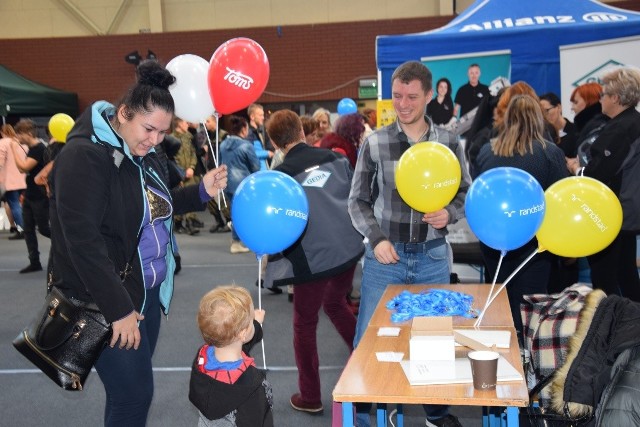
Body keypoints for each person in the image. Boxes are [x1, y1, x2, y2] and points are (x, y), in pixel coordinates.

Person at [48, 60, 228, 427]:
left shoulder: (138, 151)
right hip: (105, 301)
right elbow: (82, 242)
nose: (155, 140)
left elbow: (152, 205)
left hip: (143, 290)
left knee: (131, 394)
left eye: (163, 133)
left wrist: (200, 193)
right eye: (149, 129)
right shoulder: (84, 157)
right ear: (124, 113)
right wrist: (118, 310)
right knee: (133, 397)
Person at [348, 60, 471, 427]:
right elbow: (357, 201)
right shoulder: (376, 141)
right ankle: (364, 420)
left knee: (433, 343)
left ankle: (435, 415)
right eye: (397, 96)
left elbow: (465, 193)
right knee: (369, 344)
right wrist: (377, 238)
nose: (403, 104)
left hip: (433, 256)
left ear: (430, 96)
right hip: (386, 258)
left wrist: (450, 213)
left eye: (411, 97)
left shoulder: (450, 143)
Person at [265, 110, 364, 414]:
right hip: (347, 249)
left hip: (313, 259)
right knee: (336, 304)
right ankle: (365, 363)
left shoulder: (279, 179)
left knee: (304, 325)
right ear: (301, 131)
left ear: (275, 143)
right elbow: (353, 197)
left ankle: (310, 396)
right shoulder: (336, 159)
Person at [473, 94, 569, 336]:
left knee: (500, 303)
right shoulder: (550, 153)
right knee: (531, 309)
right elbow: (560, 201)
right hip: (533, 245)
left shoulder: (487, 151)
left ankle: (501, 357)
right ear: (538, 118)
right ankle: (528, 362)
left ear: (507, 119)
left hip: (493, 239)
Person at [566, 67, 640, 302]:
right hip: (626, 212)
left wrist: (576, 169)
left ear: (615, 98)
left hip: (613, 214)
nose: (601, 99)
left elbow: (600, 172)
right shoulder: (632, 122)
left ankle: (609, 333)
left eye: (604, 94)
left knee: (604, 280)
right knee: (626, 274)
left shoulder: (622, 128)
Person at [189, 285, 272, 427]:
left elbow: (239, 344)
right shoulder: (250, 385)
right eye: (251, 321)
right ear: (243, 333)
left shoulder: (202, 359)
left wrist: (256, 324)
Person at [11, 119, 51, 273]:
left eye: (19, 135)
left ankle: (69, 247)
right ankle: (34, 261)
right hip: (30, 194)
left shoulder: (39, 148)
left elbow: (24, 167)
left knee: (44, 228)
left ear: (27, 134)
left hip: (39, 195)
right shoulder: (32, 148)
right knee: (28, 229)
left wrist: (14, 148)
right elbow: (23, 169)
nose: (17, 138)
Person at [219, 115, 260, 254]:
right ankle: (237, 242)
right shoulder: (246, 145)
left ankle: (236, 240)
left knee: (235, 212)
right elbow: (255, 166)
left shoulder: (223, 144)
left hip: (227, 183)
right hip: (243, 184)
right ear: (243, 129)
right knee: (245, 213)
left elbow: (220, 164)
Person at [172, 117, 201, 235]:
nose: (187, 125)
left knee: (191, 197)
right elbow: (172, 159)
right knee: (179, 198)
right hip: (179, 174)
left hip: (190, 172)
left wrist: (192, 167)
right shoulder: (171, 139)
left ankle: (190, 223)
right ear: (178, 123)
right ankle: (178, 224)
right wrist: (180, 173)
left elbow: (193, 154)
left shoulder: (189, 137)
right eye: (185, 122)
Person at [570, 82, 609, 167]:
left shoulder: (598, 127)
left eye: (576, 102)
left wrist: (574, 166)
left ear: (590, 102)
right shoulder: (589, 126)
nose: (572, 107)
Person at [0, 124, 27, 240]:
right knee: (18, 204)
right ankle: (24, 228)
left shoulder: (3, 143)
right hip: (22, 178)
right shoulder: (21, 143)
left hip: (8, 181)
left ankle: (21, 230)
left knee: (14, 204)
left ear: (2, 132)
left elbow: (0, 162)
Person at [539, 92, 578, 158]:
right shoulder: (543, 135)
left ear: (559, 107)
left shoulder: (575, 131)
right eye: (541, 112)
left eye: (546, 110)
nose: (544, 115)